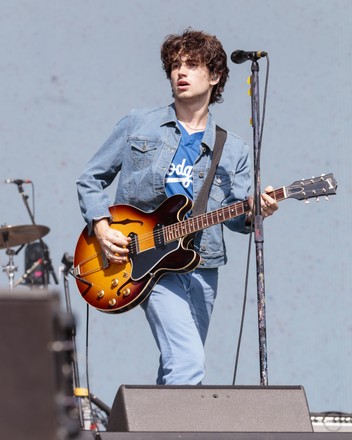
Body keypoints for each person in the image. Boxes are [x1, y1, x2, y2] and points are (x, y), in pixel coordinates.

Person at [76, 29, 278, 385]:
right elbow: (90, 178)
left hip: (202, 264)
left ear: (215, 76)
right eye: (174, 65)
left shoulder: (232, 149)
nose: (180, 72)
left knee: (178, 368)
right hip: (143, 257)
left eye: (192, 65)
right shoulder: (140, 124)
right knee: (188, 365)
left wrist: (256, 210)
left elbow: (237, 216)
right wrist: (103, 228)